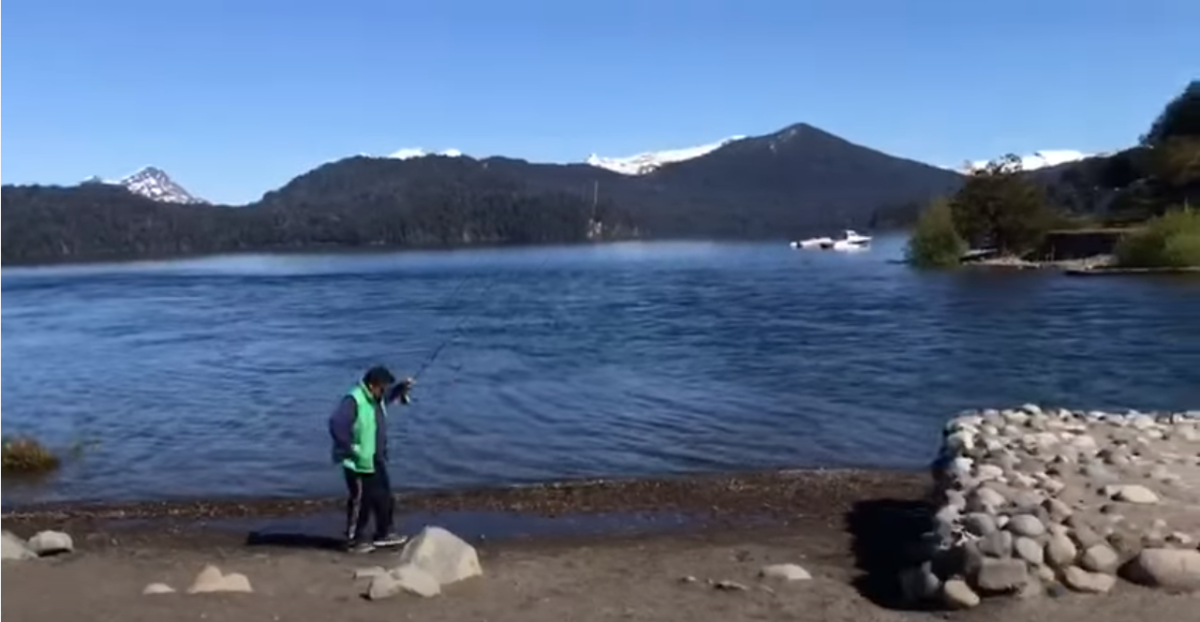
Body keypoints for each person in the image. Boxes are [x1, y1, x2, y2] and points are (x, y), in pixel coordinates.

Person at [328, 365, 414, 553]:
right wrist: (350, 447)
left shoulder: (376, 398)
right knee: (361, 501)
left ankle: (384, 533)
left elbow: (390, 395)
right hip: (356, 461)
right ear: (373, 385)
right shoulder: (354, 400)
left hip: (375, 458)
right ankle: (353, 540)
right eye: (383, 387)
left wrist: (401, 388)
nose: (384, 391)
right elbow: (336, 423)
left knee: (385, 497)